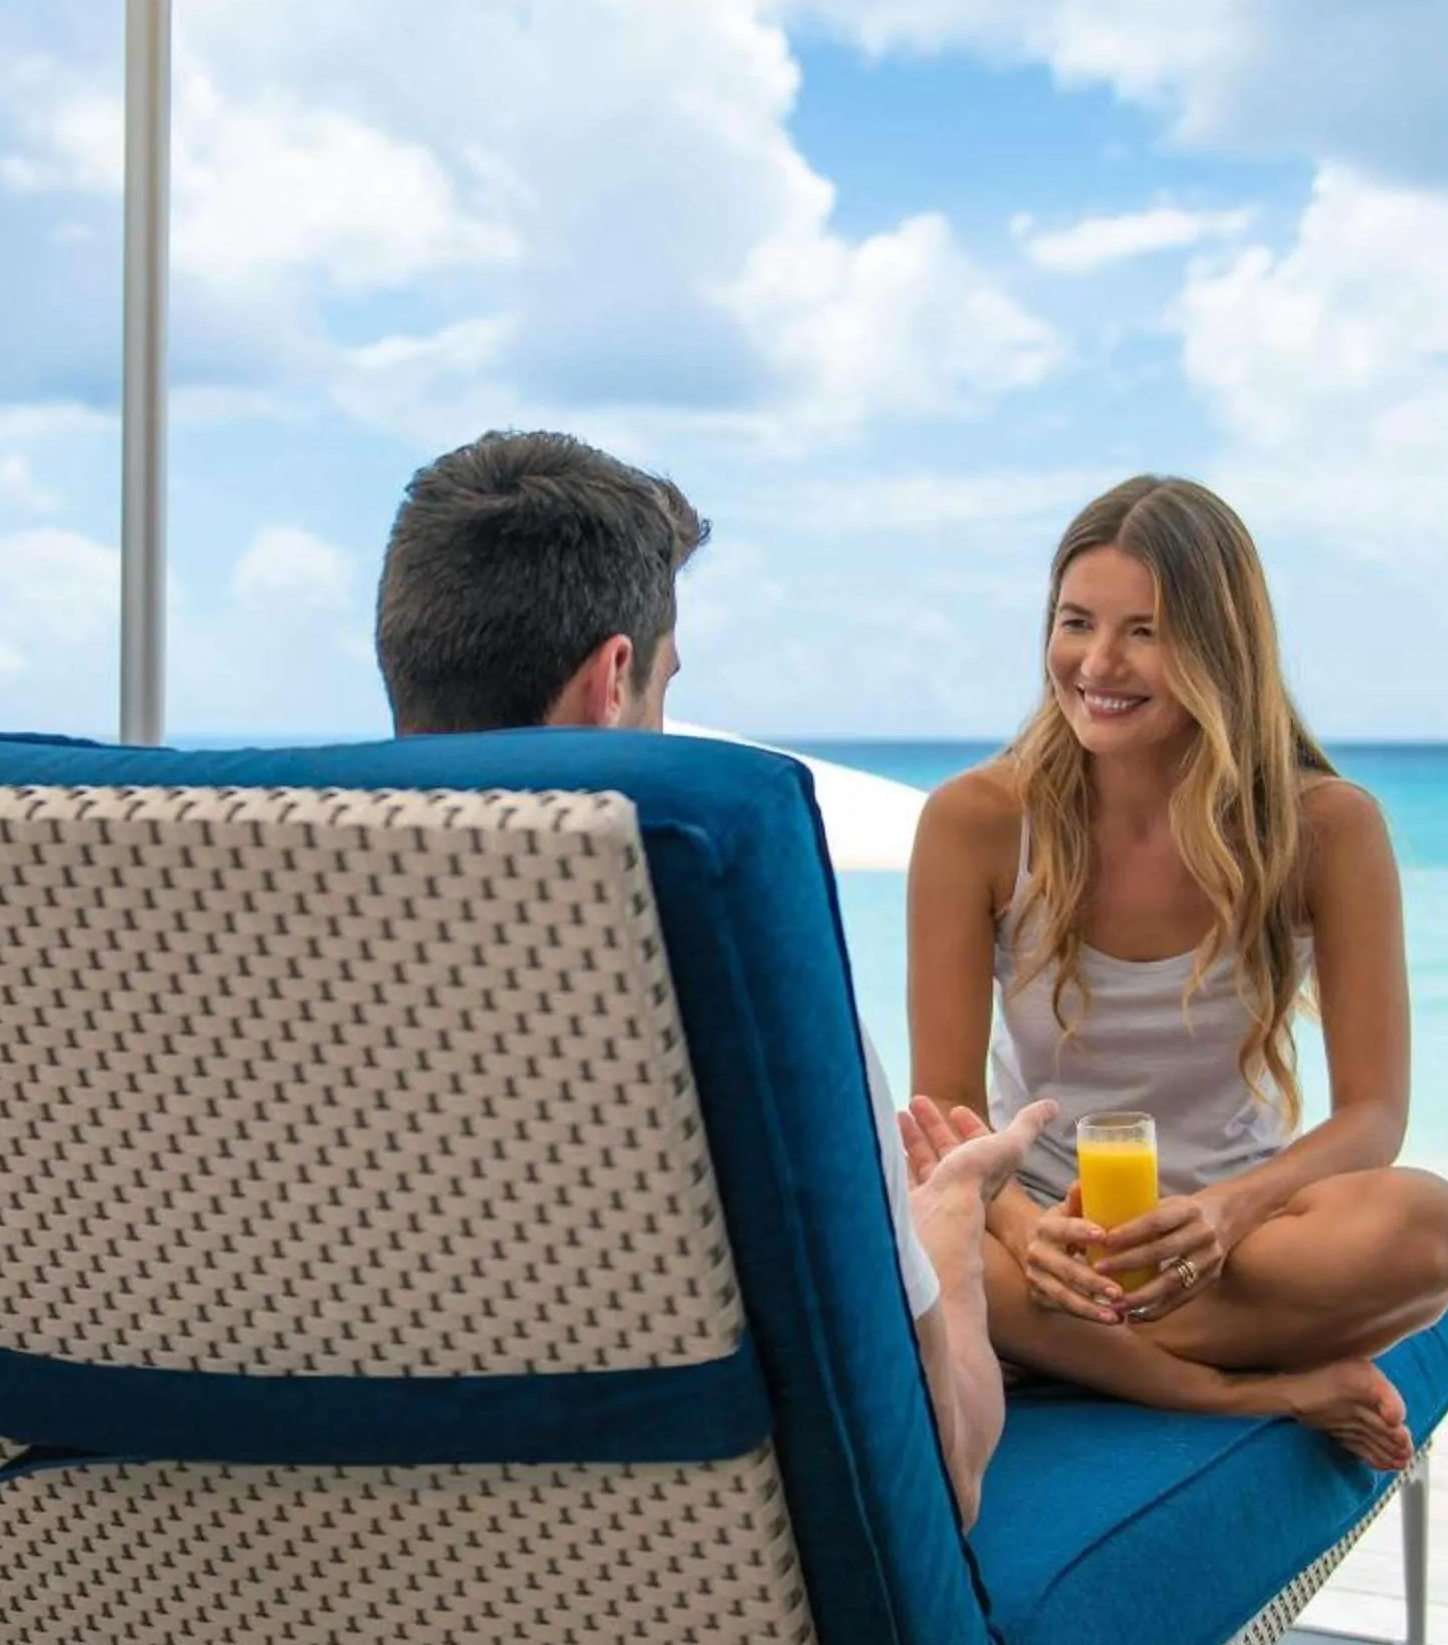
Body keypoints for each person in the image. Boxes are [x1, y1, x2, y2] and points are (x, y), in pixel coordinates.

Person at [375, 429, 1047, 1526]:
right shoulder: (731, 960)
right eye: (664, 683)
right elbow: (939, 1470)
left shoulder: (237, 963)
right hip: (695, 1634)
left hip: (301, 1612)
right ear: (614, 679)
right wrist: (956, 1227)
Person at [907, 476, 1448, 1472]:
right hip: (1043, 1231)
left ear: (1220, 648)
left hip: (1235, 1229)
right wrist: (1023, 1226)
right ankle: (1241, 1390)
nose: (1098, 662)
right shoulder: (976, 819)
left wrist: (1228, 1212)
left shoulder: (1327, 828)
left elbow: (1374, 1117)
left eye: (1145, 632)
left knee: (1426, 1231)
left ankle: (1068, 1354)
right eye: (1077, 622)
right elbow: (947, 1107)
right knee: (898, 1237)